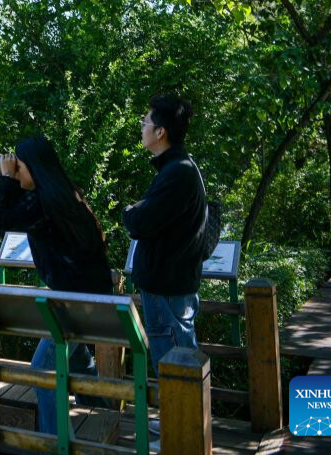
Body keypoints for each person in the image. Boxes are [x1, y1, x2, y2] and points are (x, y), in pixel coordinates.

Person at [0, 135, 113, 440]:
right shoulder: (62, 196)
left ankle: (57, 444)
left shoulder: (44, 203)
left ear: (35, 168)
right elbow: (17, 210)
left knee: (42, 372)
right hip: (88, 300)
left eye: (19, 169)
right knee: (80, 365)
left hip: (73, 303)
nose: (16, 174)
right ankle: (104, 421)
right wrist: (13, 177)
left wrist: (5, 179)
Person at [122, 94, 207, 440]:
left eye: (145, 123)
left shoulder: (177, 174)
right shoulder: (179, 169)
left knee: (173, 363)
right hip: (173, 285)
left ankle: (181, 437)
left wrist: (129, 213)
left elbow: (141, 220)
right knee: (179, 358)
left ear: (160, 132)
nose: (141, 128)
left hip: (167, 287)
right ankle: (178, 423)